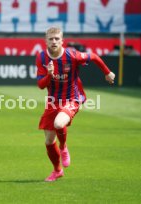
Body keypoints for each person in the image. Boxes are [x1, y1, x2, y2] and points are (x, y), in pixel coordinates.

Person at [36, 27, 115, 182]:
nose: (54, 41)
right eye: (51, 39)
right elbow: (40, 84)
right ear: (45, 40)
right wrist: (49, 74)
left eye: (57, 39)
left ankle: (64, 147)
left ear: (62, 41)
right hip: (53, 100)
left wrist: (107, 72)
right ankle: (57, 171)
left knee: (59, 123)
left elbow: (93, 57)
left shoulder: (71, 55)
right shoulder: (42, 58)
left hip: (73, 98)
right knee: (49, 141)